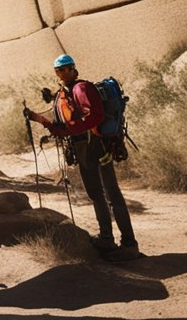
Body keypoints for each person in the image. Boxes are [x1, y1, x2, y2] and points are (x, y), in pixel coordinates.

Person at [24, 54, 139, 261]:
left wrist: (68, 129)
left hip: (95, 144)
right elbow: (61, 125)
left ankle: (130, 244)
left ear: (73, 69)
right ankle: (106, 237)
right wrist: (37, 118)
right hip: (81, 146)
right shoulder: (62, 94)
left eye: (66, 68)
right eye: (59, 70)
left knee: (111, 192)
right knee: (95, 193)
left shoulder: (81, 89)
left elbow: (95, 116)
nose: (62, 72)